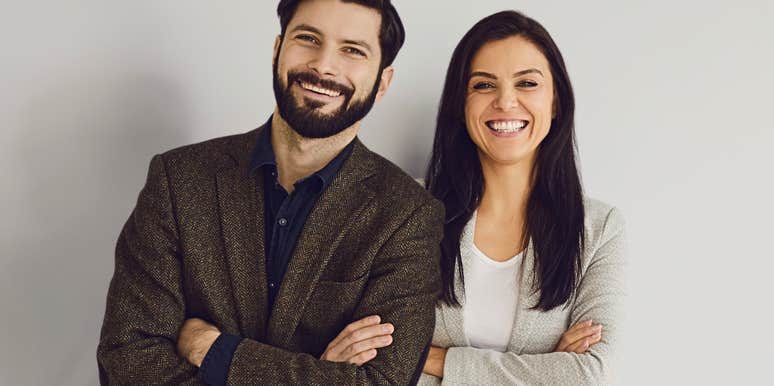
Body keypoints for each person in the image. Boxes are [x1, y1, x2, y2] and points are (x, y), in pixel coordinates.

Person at [96, 0, 444, 384]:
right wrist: (321, 373)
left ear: (382, 82)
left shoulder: (407, 215)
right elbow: (126, 359)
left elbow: (384, 382)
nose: (323, 65)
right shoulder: (178, 179)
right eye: (308, 38)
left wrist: (214, 350)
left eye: (352, 50)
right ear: (277, 49)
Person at [325, 10, 628, 385]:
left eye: (527, 83)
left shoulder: (600, 229)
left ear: (556, 102)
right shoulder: (402, 209)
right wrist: (544, 369)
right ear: (461, 104)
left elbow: (593, 374)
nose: (505, 101)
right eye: (483, 85)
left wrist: (432, 358)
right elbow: (367, 355)